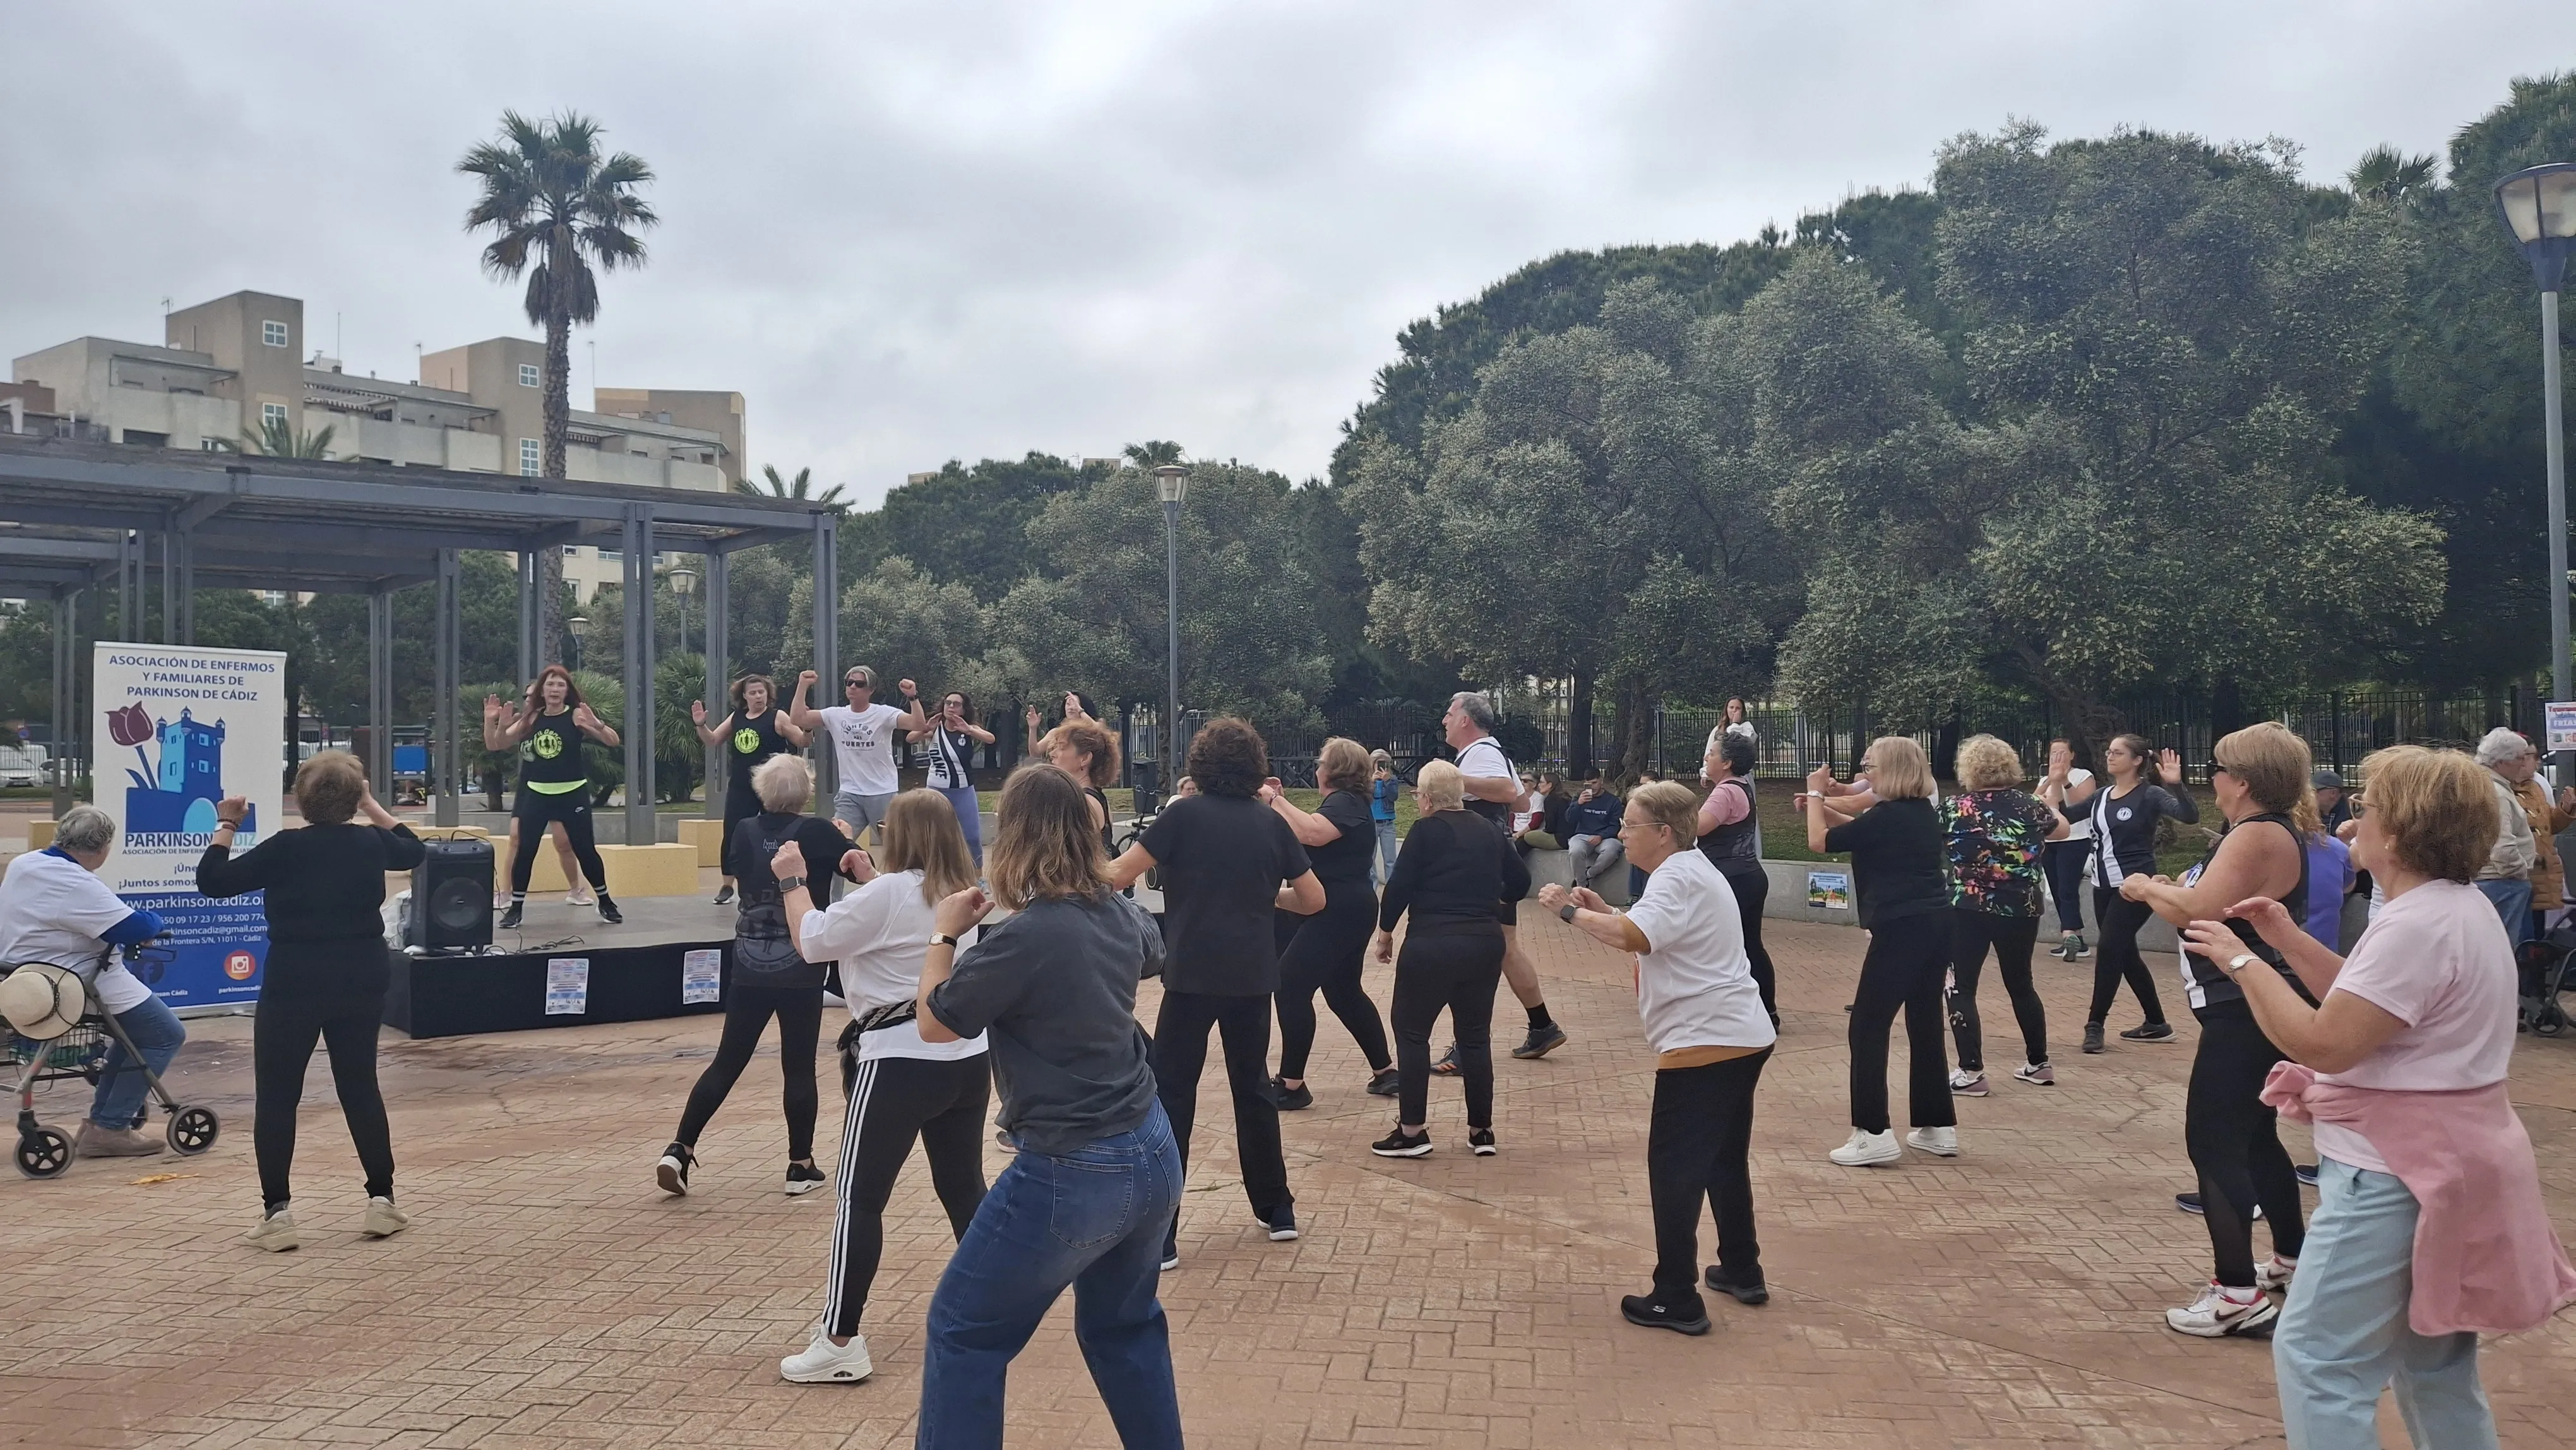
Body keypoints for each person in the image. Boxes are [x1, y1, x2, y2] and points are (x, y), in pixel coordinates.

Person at [2178, 745, 2576, 1445]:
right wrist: (2287, 939)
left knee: (2316, 1356)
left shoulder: (2418, 923)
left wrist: (2241, 960)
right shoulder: (2452, 907)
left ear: (2400, 832)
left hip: (2394, 1171)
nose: (2354, 826)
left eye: (2369, 812)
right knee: (2433, 1359)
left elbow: (2326, 1041)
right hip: (2448, 1160)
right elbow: (2368, 999)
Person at [911, 763, 1182, 1448]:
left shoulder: (1027, 937)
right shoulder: (1116, 910)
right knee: (1125, 1327)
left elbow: (938, 1022)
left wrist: (945, 935)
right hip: (1151, 1148)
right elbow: (1149, 951)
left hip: (1073, 1164)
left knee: (964, 1330)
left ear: (1016, 837)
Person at [771, 788, 987, 1384]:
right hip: (964, 1054)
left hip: (897, 1058)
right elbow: (897, 915)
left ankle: (840, 1338)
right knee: (964, 1186)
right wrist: (869, 881)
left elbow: (813, 940)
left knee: (859, 1199)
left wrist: (793, 883)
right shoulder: (964, 891)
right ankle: (996, 1307)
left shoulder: (894, 893)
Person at [1541, 780, 1774, 1336]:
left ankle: (1676, 1294)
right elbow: (1648, 927)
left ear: (1663, 833)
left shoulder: (1676, 874)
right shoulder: (1688, 870)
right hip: (1739, 1034)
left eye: (1630, 825)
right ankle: (1742, 1267)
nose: (1621, 832)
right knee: (1721, 1157)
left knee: (1674, 1168)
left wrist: (1569, 914)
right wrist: (1604, 910)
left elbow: (1634, 937)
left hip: (1705, 1041)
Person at [2120, 723, 2315, 1338]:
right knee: (2256, 1140)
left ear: (2244, 780)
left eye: (2218, 767)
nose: (2213, 778)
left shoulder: (2257, 832)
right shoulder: (2265, 831)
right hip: (2251, 1002)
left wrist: (2146, 886)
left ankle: (2236, 1292)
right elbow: (2211, 900)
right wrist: (2182, 894)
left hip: (2244, 1007)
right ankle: (2290, 1260)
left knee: (2212, 1143)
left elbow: (2197, 910)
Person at [1109, 717, 1323, 1262]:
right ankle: (1277, 1210)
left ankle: (1165, 1232)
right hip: (1252, 974)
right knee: (1252, 1089)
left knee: (1173, 1094)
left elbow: (1117, 875)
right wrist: (1268, 898)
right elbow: (1315, 899)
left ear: (1200, 764)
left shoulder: (1183, 817)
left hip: (1191, 974)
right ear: (1255, 765)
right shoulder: (1270, 822)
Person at [193, 756, 422, 1249]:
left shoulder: (285, 847)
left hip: (295, 976)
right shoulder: (369, 841)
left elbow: (212, 881)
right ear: (353, 799)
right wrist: (372, 806)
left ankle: (277, 1213)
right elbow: (414, 850)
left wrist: (227, 824)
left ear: (298, 800)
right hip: (361, 972)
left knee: (277, 1095)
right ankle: (381, 1200)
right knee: (360, 1086)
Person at [655, 755, 862, 1199]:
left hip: (749, 959)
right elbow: (857, 871)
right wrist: (844, 840)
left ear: (762, 792)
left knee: (728, 1060)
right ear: (805, 792)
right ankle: (799, 1164)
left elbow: (740, 865)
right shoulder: (817, 832)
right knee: (798, 1065)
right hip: (801, 961)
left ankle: (680, 1146)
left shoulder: (744, 830)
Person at [1804, 738, 1956, 1166]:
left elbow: (1819, 842)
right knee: (1924, 1022)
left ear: (1890, 769)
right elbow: (1849, 834)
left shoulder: (1889, 816)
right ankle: (1936, 1125)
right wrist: (1820, 806)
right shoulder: (1919, 812)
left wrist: (1817, 793)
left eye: (1870, 766)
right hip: (1935, 923)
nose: (1865, 772)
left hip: (1901, 926)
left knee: (1868, 1026)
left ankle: (1873, 1132)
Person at [0, 804, 182, 1159]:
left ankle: (108, 1116)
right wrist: (153, 919)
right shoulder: (76, 883)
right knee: (163, 1033)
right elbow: (137, 927)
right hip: (73, 984)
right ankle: (110, 1127)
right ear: (103, 849)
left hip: (23, 978)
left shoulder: (26, 864)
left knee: (132, 1038)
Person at [1370, 760, 1530, 1159]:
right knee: (1474, 1036)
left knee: (1411, 1033)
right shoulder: (1489, 830)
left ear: (1425, 799)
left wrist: (1385, 933)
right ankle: (1481, 1131)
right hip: (1483, 943)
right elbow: (1522, 883)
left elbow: (1399, 886)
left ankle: (1412, 1131)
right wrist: (1493, 901)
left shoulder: (1425, 831)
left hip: (1432, 944)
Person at [1260, 737, 1397, 1108]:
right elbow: (1306, 830)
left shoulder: (1346, 802)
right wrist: (1280, 803)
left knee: (1290, 986)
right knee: (1343, 992)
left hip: (1339, 911)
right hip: (1346, 908)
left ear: (1333, 770)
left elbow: (1311, 833)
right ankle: (1385, 1073)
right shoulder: (1345, 804)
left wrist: (1275, 800)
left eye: (1321, 762)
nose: (1317, 767)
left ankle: (1291, 1084)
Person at [2041, 734, 2192, 1053]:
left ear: (2137, 760)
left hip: (2137, 886)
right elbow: (2064, 817)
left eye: (2118, 752)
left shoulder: (2149, 794)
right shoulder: (2101, 796)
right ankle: (2156, 1023)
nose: (2110, 756)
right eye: (2109, 751)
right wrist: (2058, 783)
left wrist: (2175, 785)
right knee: (2126, 955)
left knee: (2109, 950)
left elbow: (2189, 816)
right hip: (2103, 886)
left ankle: (2095, 1025)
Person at [1441, 691, 1566, 1062]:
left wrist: (1454, 780)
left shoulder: (1481, 753)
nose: (1444, 720)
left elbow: (1510, 792)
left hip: (1484, 866)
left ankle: (1467, 1047)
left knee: (1475, 953)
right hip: (1495, 862)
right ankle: (1542, 1027)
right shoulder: (1491, 752)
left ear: (1466, 720)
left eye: (1450, 713)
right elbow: (1522, 803)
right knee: (1504, 950)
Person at [1940, 736, 2068, 1096]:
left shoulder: (1953, 807)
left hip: (1967, 905)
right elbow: (2063, 830)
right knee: (2021, 982)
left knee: (1960, 985)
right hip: (2021, 906)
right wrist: (2049, 800)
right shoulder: (2031, 805)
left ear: (1969, 769)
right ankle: (2038, 1062)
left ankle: (1971, 1071)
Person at [484, 664, 621, 929]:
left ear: (567, 690)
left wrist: (596, 725)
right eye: (550, 685)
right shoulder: (532, 717)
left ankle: (605, 902)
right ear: (542, 691)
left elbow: (613, 741)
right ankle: (516, 908)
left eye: (560, 685)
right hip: (537, 793)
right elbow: (496, 745)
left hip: (572, 793)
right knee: (526, 850)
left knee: (585, 850)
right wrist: (493, 721)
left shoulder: (577, 714)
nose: (555, 690)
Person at [692, 673, 811, 904]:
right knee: (732, 832)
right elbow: (713, 740)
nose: (758, 696)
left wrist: (807, 728)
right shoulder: (737, 718)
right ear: (744, 696)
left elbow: (802, 742)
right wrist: (701, 725)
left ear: (768, 694)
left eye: (762, 692)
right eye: (753, 693)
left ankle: (779, 879)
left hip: (772, 787)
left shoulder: (778, 717)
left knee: (776, 831)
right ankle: (727, 885)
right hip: (741, 786)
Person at [789, 665, 927, 844]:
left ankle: (899, 874)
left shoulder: (884, 713)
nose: (852, 687)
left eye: (859, 684)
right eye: (849, 683)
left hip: (882, 793)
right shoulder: (835, 715)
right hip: (850, 794)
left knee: (896, 847)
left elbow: (918, 724)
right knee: (836, 844)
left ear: (871, 690)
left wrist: (912, 697)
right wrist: (802, 685)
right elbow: (797, 719)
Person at [1696, 733, 1778, 1024]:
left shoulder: (1725, 792)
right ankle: (1766, 1010)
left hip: (1733, 880)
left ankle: (1743, 1011)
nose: (1707, 758)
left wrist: (1667, 809)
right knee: (1750, 945)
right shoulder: (1740, 786)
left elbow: (1698, 827)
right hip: (1747, 876)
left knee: (1730, 947)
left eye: (1712, 754)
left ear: (1727, 762)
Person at [2469, 728, 2539, 952]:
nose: (2523, 763)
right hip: (2503, 882)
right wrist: (2520, 871)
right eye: (2520, 757)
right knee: (2506, 949)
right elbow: (2502, 846)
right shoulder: (2497, 792)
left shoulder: (2484, 784)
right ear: (2501, 761)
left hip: (2496, 880)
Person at [910, 689, 995, 868]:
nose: (951, 707)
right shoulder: (936, 728)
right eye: (948, 703)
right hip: (935, 791)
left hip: (963, 791)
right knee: (933, 837)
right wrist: (926, 728)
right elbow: (911, 738)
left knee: (971, 837)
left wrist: (970, 730)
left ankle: (978, 879)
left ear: (963, 710)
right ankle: (932, 876)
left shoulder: (969, 728)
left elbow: (990, 739)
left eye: (956, 704)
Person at [2039, 740, 2097, 959]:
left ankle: (2068, 934)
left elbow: (2081, 805)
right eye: (2053, 753)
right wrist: (2050, 781)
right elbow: (2036, 801)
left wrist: (2064, 782)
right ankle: (2077, 939)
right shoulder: (2046, 778)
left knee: (2067, 889)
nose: (2058, 757)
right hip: (2050, 840)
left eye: (2062, 752)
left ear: (2072, 755)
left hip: (2075, 839)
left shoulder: (2083, 776)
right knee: (2056, 889)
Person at [1041, 716, 1122, 860]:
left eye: (1062, 748)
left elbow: (1071, 856)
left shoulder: (1084, 801)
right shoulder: (1095, 796)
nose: (1053, 754)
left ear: (1085, 758)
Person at [1560, 776, 1625, 891]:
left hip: (1605, 838)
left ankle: (1589, 874)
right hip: (1582, 836)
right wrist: (1578, 804)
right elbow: (1569, 820)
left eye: (1594, 783)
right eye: (1588, 784)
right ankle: (1581, 885)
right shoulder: (1579, 798)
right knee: (1576, 851)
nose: (1592, 787)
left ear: (1602, 781)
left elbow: (1615, 825)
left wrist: (1601, 836)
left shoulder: (1613, 801)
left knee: (1613, 850)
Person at [1369, 750, 1402, 885]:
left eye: (1385, 764)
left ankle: (1391, 885)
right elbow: (1363, 797)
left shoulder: (1392, 780)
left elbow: (1393, 797)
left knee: (1390, 859)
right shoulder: (1366, 780)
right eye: (1379, 764)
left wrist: (1388, 781)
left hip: (1387, 823)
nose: (1382, 767)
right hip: (1372, 823)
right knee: (1370, 858)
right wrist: (1371, 782)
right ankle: (1372, 885)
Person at [2311, 768, 2352, 838]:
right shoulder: (2309, 812)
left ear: (2333, 793)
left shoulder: (2353, 812)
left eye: (2315, 791)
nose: (2310, 794)